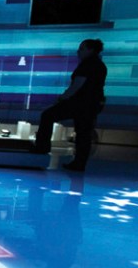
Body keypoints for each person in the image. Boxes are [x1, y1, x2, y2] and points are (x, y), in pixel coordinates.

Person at [33, 39, 107, 172]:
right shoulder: (100, 65)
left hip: (80, 104)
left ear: (90, 50)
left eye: (81, 49)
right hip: (91, 105)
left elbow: (77, 85)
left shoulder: (88, 65)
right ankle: (79, 163)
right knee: (83, 133)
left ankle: (41, 149)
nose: (78, 52)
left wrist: (63, 97)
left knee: (47, 116)